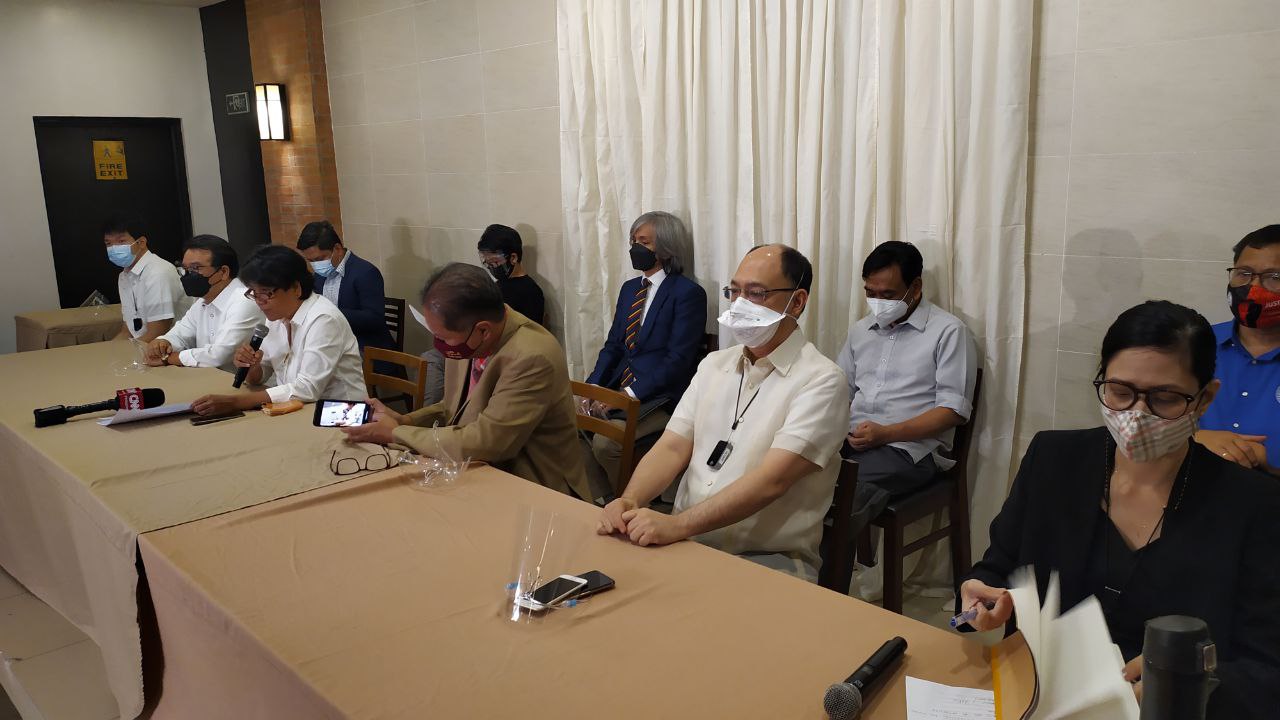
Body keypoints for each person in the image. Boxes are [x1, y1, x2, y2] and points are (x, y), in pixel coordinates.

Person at [960, 301, 1280, 718]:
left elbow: (1267, 667)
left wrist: (1187, 684)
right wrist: (980, 597)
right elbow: (997, 568)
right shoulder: (1054, 459)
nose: (1136, 415)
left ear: (1205, 399)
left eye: (1165, 398)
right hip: (1039, 695)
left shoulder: (1252, 503)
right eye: (1120, 391)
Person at [596, 245, 849, 582]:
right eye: (735, 291)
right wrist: (630, 500)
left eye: (756, 293)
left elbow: (772, 481)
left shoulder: (822, 380)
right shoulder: (714, 365)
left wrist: (677, 525)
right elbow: (672, 446)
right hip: (686, 542)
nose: (740, 304)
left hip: (768, 558)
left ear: (797, 302)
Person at [340, 263, 589, 499]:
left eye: (443, 337)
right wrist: (405, 420)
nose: (439, 345)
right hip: (480, 467)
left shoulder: (531, 356)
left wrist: (396, 433)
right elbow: (454, 407)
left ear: (483, 330)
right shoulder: (471, 339)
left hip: (534, 486)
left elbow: (488, 441)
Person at [836, 240, 977, 536]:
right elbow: (839, 393)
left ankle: (826, 565)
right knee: (797, 471)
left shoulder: (949, 332)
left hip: (911, 452)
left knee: (843, 488)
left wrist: (886, 433)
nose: (878, 302)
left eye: (888, 295)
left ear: (915, 287)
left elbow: (952, 411)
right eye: (870, 293)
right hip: (852, 442)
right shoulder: (860, 331)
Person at [580, 211, 707, 497]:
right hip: (619, 387)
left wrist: (629, 394)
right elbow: (613, 345)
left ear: (666, 248)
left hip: (660, 396)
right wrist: (594, 387)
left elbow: (678, 360)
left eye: (644, 242)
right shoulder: (629, 290)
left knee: (606, 443)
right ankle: (602, 498)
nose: (635, 248)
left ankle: (632, 502)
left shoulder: (687, 293)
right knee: (569, 422)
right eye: (633, 241)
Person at [191, 245, 365, 416]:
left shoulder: (323, 319)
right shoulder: (276, 317)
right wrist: (251, 366)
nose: (259, 301)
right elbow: (261, 376)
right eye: (254, 292)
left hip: (346, 414)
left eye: (266, 293)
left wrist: (236, 402)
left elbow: (307, 388)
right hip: (300, 409)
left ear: (296, 288)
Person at [1195, 225, 1280, 476]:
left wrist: (1269, 462)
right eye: (1244, 273)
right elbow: (1146, 419)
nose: (1253, 287)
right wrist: (1193, 438)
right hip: (1192, 488)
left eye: (1274, 277)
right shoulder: (1194, 343)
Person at [144, 234, 264, 373]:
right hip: (208, 377)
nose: (188, 275)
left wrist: (168, 359)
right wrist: (163, 342)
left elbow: (219, 355)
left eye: (195, 268)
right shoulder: (202, 301)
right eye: (185, 269)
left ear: (223, 272)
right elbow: (181, 333)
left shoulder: (245, 300)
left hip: (240, 382)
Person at [296, 220, 395, 356]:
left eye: (319, 259)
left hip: (365, 349)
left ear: (337, 249)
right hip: (330, 344)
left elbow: (374, 319)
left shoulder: (365, 272)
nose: (316, 265)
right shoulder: (319, 275)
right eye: (310, 261)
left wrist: (330, 313)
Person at [103, 214, 187, 342]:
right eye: (108, 243)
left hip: (169, 347)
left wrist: (120, 352)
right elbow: (128, 331)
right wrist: (107, 350)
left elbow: (157, 333)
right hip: (142, 345)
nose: (113, 248)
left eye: (121, 241)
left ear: (141, 242)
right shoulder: (124, 276)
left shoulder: (158, 272)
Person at [477, 224, 545, 324]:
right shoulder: (499, 284)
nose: (491, 267)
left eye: (495, 262)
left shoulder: (531, 292)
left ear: (513, 258)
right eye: (487, 263)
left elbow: (532, 330)